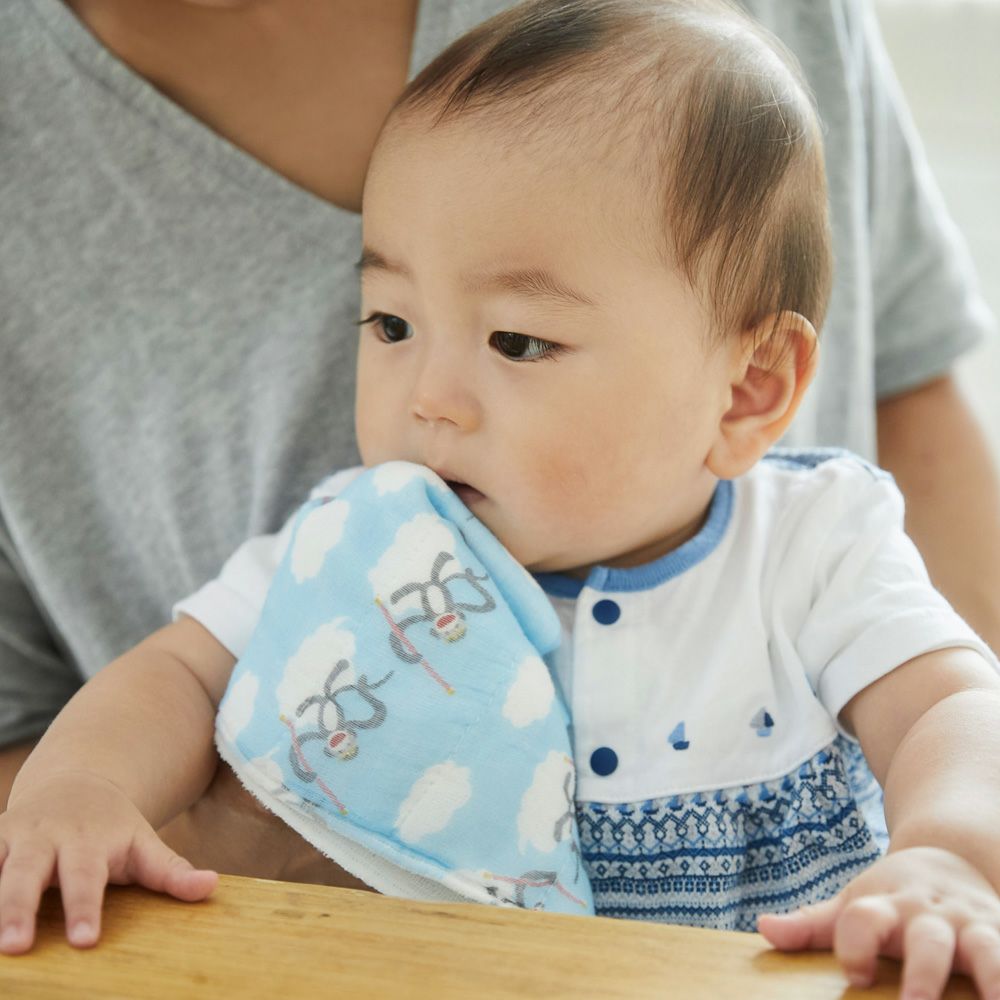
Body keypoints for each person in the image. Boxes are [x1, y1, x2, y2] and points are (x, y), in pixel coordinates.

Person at [3, 3, 1000, 996]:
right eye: (391, 324)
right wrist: (82, 788)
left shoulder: (813, 549)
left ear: (747, 388)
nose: (428, 398)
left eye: (516, 341)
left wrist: (947, 855)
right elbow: (176, 673)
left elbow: (952, 706)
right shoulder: (363, 549)